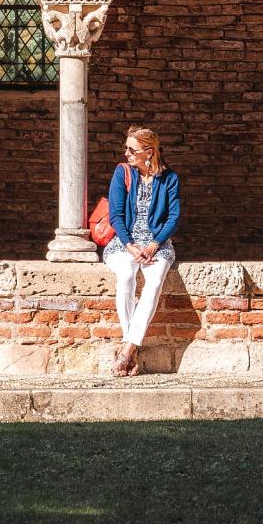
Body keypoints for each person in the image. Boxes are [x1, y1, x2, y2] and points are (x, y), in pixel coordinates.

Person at [105, 126, 180, 376]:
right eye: (126, 148)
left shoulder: (169, 178)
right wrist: (130, 245)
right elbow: (115, 215)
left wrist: (154, 243)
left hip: (158, 245)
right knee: (126, 277)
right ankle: (132, 348)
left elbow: (173, 217)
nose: (126, 153)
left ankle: (126, 351)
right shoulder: (122, 172)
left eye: (131, 149)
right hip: (124, 244)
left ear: (148, 152)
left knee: (155, 280)